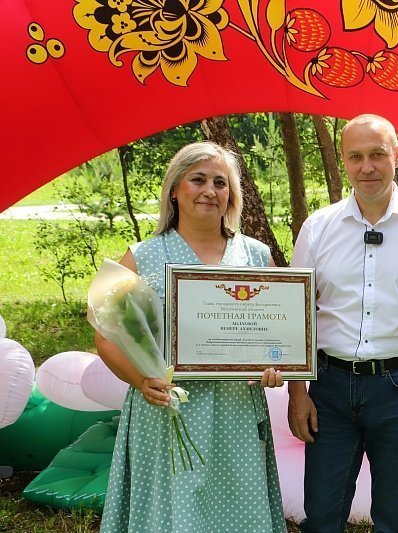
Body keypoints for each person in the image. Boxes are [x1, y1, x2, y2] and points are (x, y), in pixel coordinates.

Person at [96, 141, 287, 532]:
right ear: (174, 190)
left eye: (220, 182)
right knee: (173, 514)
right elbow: (106, 336)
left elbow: (280, 335)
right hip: (167, 410)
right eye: (198, 180)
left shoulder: (255, 256)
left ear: (231, 194)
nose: (209, 191)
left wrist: (277, 366)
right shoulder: (141, 257)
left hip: (236, 409)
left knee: (238, 505)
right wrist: (142, 380)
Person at [288, 114, 398, 532]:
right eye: (356, 157)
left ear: (396, 155)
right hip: (329, 388)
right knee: (322, 514)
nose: (367, 167)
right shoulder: (318, 229)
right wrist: (297, 393)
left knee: (393, 516)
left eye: (377, 155)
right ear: (343, 162)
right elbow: (297, 313)